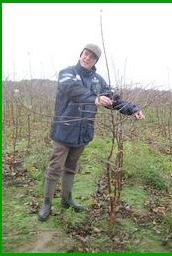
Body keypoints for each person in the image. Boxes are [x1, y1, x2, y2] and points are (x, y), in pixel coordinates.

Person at [38, 43, 145, 221]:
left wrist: (132, 109)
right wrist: (94, 98)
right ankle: (47, 203)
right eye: (86, 54)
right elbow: (73, 91)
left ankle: (66, 200)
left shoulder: (98, 80)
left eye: (92, 57)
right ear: (81, 54)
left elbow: (112, 99)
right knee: (55, 167)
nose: (87, 58)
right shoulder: (67, 73)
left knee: (71, 167)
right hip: (64, 130)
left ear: (96, 61)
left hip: (83, 133)